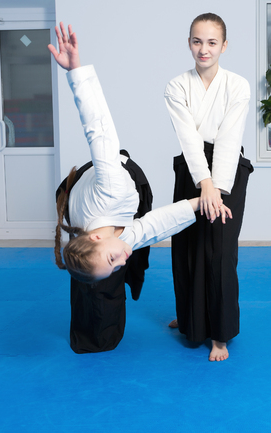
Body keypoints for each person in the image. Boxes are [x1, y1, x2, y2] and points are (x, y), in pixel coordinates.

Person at [49, 22, 231, 354]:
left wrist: (75, 70)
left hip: (118, 180)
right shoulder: (86, 246)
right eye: (117, 262)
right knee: (99, 272)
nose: (122, 257)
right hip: (82, 209)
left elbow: (97, 128)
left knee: (130, 257)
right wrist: (197, 205)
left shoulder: (112, 186)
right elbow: (149, 231)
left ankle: (120, 278)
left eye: (113, 257)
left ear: (97, 237)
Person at [164, 13, 254, 362]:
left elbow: (230, 138)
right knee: (185, 244)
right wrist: (203, 183)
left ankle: (219, 334)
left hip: (228, 170)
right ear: (189, 43)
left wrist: (216, 188)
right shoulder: (176, 86)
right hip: (192, 168)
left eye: (211, 42)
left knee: (218, 252)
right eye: (197, 41)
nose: (204, 49)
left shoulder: (238, 85)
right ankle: (190, 318)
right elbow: (188, 137)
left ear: (224, 46)